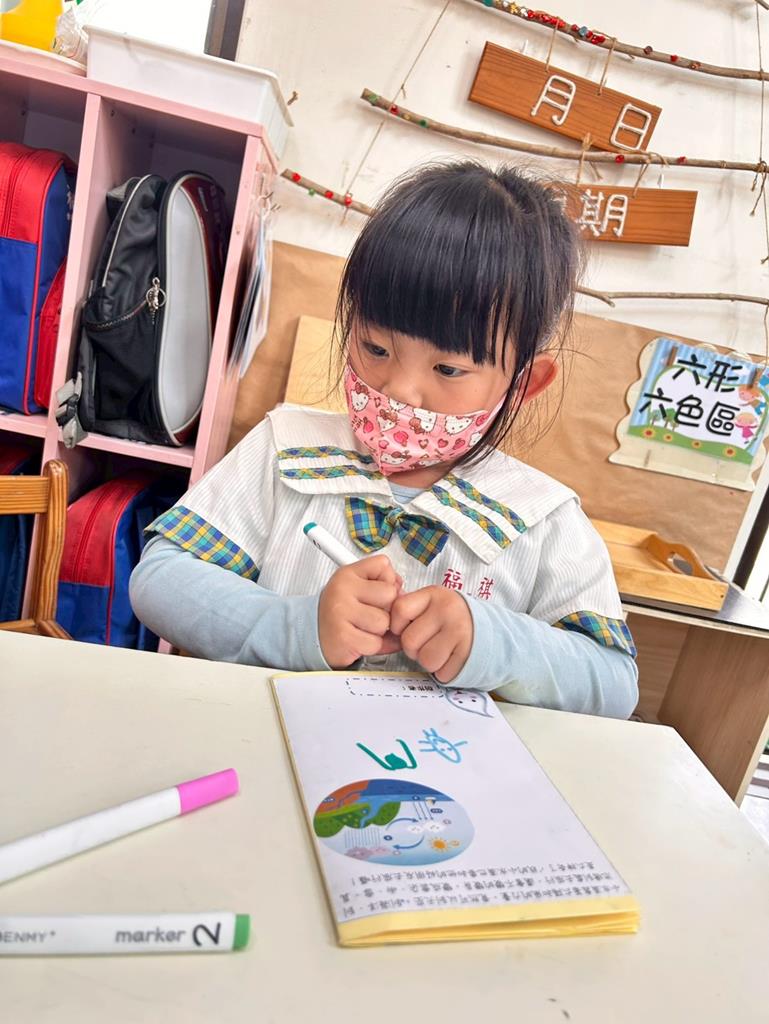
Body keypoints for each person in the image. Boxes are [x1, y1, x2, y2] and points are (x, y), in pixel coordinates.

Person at [130, 160, 638, 718]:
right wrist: (296, 626)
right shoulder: (285, 448)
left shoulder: (541, 518)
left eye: (448, 369)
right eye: (376, 348)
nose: (399, 388)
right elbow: (160, 578)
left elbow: (614, 684)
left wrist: (496, 643)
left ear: (524, 382)